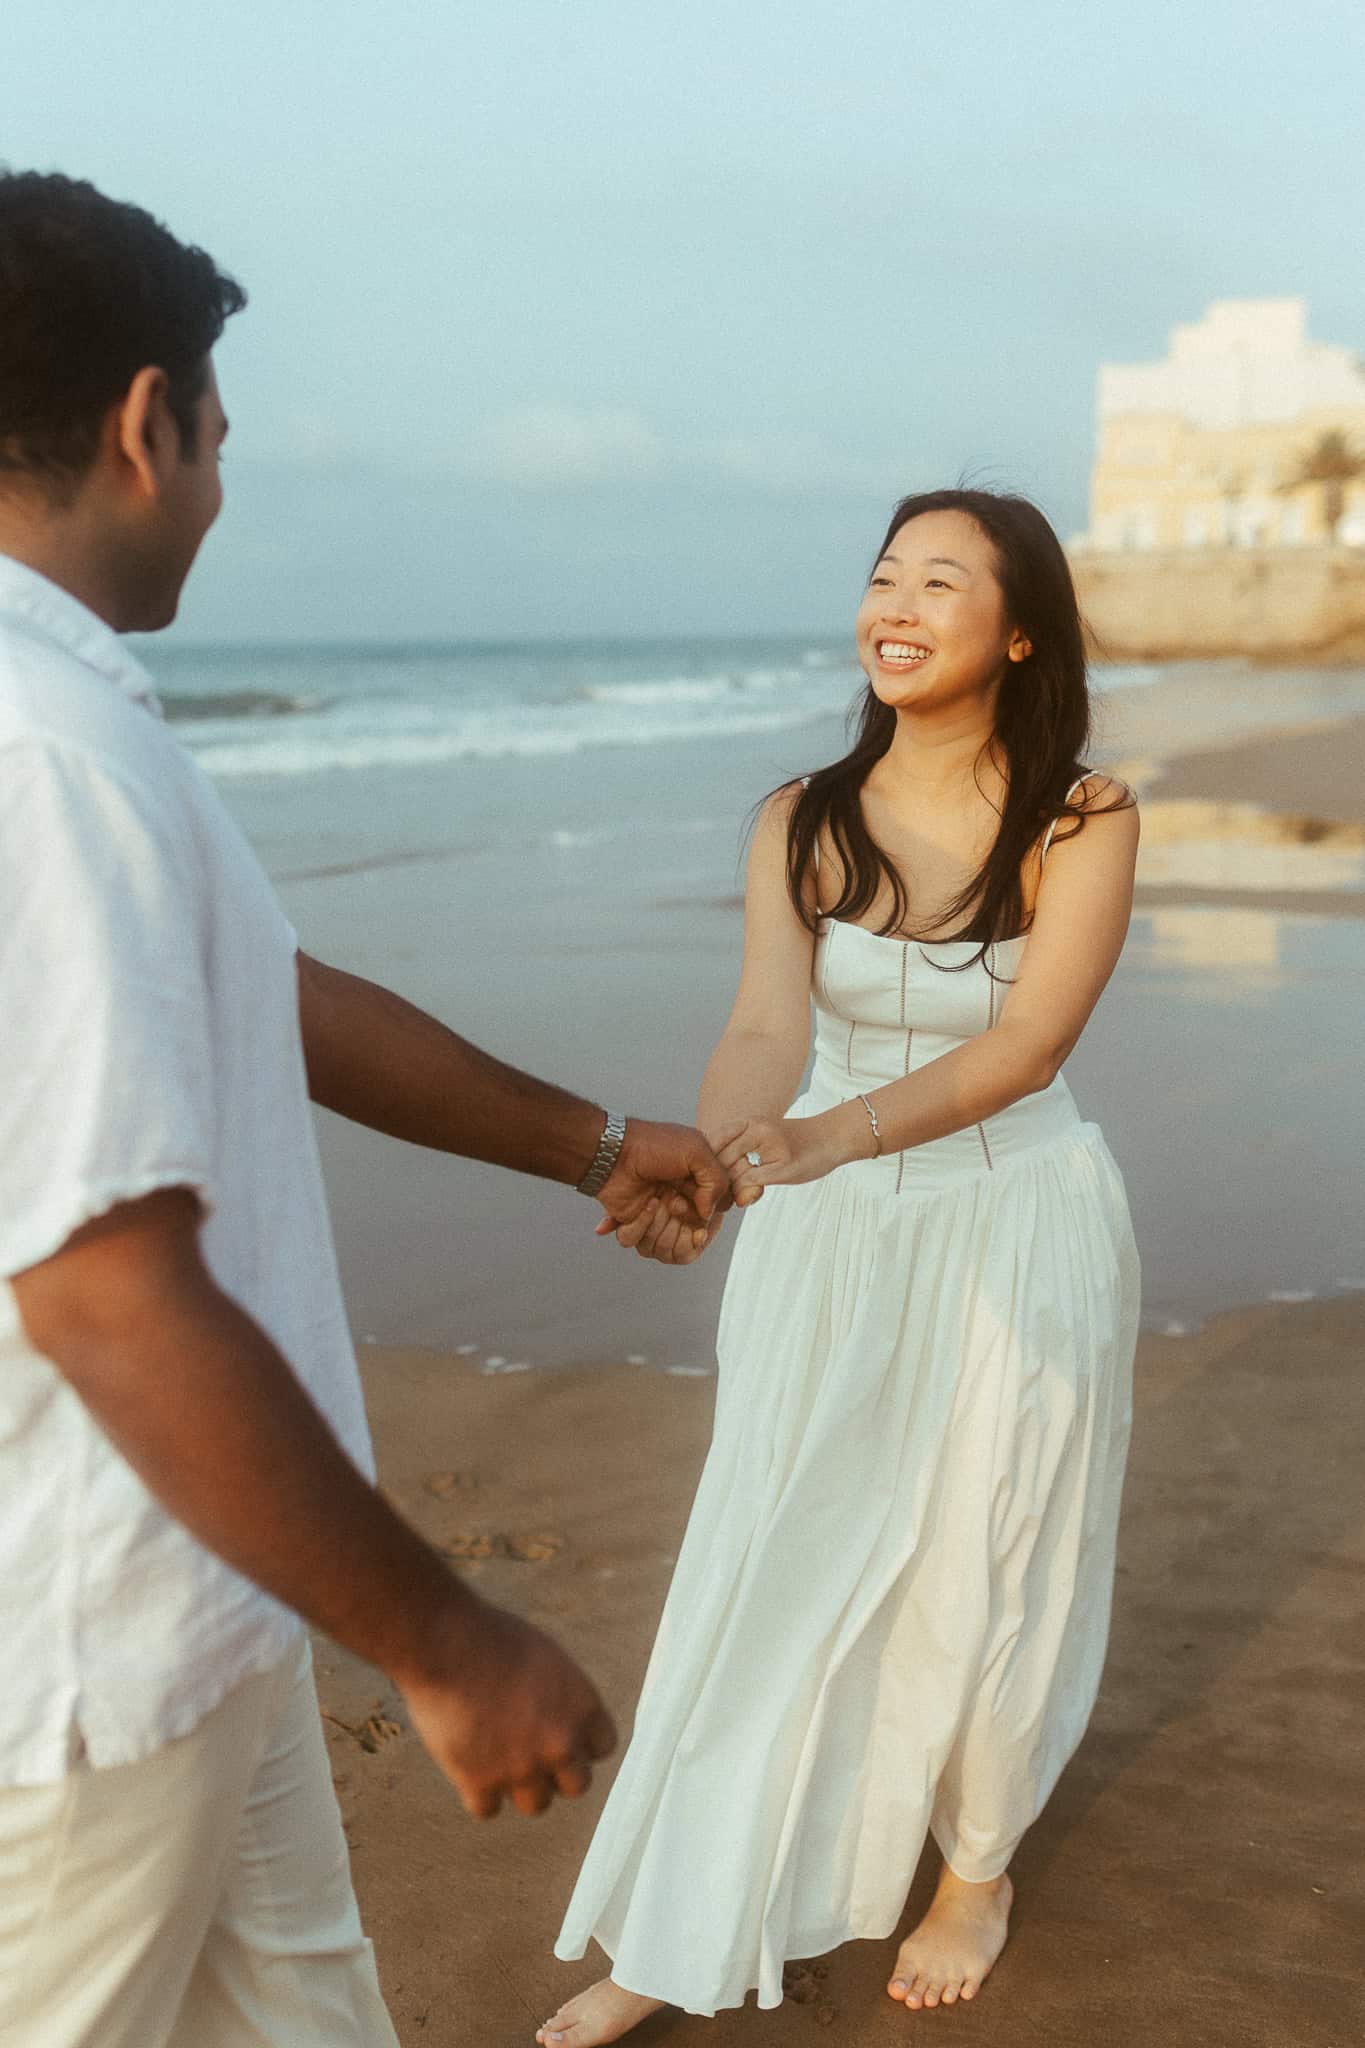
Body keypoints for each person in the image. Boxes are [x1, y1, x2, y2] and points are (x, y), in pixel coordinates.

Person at [0, 169, 731, 2048]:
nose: (223, 498)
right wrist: (446, 1640)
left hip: (210, 1600)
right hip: (92, 1655)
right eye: (220, 441)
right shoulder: (43, 754)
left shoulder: (72, 722)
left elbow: (278, 1001)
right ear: (146, 424)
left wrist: (585, 1138)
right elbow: (96, 1287)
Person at [539, 488, 1142, 2042]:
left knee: (988, 1554)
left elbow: (1024, 1049)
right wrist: (723, 1162)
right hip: (823, 1222)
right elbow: (763, 1030)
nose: (897, 602)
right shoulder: (796, 815)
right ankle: (681, 1924)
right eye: (883, 575)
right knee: (775, 1550)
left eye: (940, 581)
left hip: (1014, 1215)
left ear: (1014, 632)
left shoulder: (1081, 816)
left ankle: (976, 1871)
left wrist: (822, 1142)